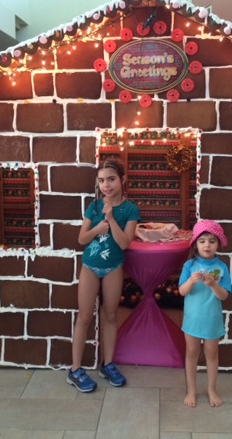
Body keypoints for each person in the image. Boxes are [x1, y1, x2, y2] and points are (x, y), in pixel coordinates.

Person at [67, 159, 140, 392]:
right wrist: (98, 228)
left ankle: (107, 365)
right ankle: (75, 370)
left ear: (122, 180)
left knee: (110, 315)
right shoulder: (94, 206)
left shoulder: (130, 210)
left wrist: (110, 219)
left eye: (111, 179)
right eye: (101, 181)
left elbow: (125, 243)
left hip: (113, 267)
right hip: (90, 266)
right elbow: (81, 239)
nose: (106, 185)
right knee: (85, 316)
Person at [179, 220, 232, 408]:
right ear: (195, 244)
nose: (207, 245)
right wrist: (191, 282)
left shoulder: (222, 268)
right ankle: (191, 390)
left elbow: (224, 295)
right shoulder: (189, 266)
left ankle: (212, 389)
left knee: (212, 354)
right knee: (191, 353)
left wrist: (213, 284)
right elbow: (182, 291)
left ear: (218, 244)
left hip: (212, 320)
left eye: (211, 241)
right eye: (202, 241)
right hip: (192, 321)